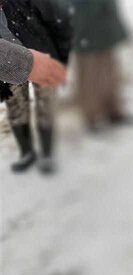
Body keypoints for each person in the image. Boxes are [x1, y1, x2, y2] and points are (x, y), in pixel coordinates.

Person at [1, 0, 72, 174]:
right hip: (11, 67)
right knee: (16, 107)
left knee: (45, 104)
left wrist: (61, 57)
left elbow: (56, 20)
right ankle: (27, 153)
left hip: (43, 56)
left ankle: (47, 153)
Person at [70, 0, 129, 131]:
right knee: (89, 74)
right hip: (84, 24)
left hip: (105, 24)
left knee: (109, 69)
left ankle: (112, 109)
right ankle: (91, 115)